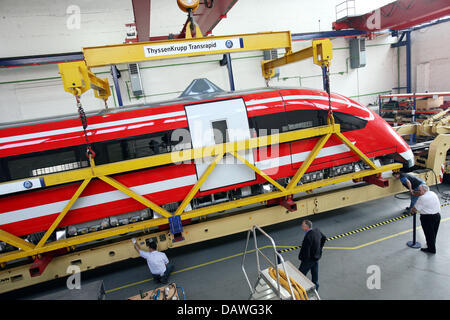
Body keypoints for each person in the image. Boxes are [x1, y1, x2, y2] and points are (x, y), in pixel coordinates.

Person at [411, 184, 441, 254]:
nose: (419, 191)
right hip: (437, 216)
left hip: (428, 218)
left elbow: (415, 209)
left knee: (428, 233)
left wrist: (412, 210)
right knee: (433, 232)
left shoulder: (422, 198)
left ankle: (431, 249)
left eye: (420, 190)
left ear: (424, 190)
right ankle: (431, 243)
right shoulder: (433, 193)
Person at [298, 220, 326, 290]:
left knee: (300, 275)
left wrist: (302, 259)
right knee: (315, 276)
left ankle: (299, 290)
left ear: (306, 227)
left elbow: (306, 251)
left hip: (309, 260)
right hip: (316, 257)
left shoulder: (308, 237)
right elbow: (324, 237)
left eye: (302, 225)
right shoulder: (317, 230)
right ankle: (316, 289)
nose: (301, 227)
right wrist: (319, 249)